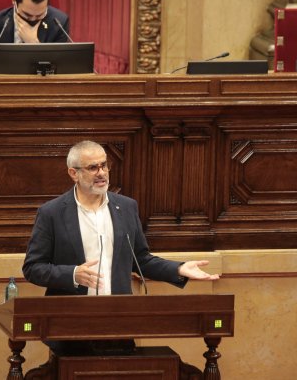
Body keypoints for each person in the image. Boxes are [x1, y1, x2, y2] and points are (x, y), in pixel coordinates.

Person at [22, 140, 219, 355]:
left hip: (119, 322)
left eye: (104, 165)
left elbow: (140, 259)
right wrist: (72, 273)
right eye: (92, 167)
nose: (101, 173)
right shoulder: (52, 213)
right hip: (70, 325)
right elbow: (33, 267)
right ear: (73, 173)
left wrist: (178, 269)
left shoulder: (126, 207)